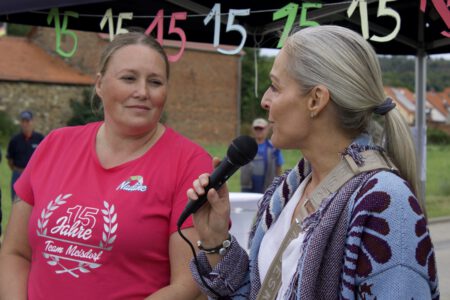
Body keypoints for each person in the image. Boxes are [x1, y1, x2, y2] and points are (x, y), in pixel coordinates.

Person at [187, 25, 439, 299]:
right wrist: (215, 239)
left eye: (275, 86)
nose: (264, 100)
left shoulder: (386, 203)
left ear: (316, 100)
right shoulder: (287, 191)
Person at [0, 31, 212, 299]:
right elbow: (15, 252)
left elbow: (188, 284)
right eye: (129, 78)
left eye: (155, 82)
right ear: (99, 85)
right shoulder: (55, 145)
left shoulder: (190, 163)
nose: (142, 92)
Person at [6, 110, 44, 201]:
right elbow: (10, 160)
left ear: (32, 122)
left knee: (34, 203)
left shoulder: (40, 139)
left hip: (34, 176)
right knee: (15, 201)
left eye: (27, 121)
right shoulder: (15, 140)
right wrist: (19, 170)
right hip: (18, 174)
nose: (25, 124)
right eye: (23, 121)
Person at [241, 118, 284, 193]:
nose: (258, 131)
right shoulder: (246, 146)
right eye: (256, 128)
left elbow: (278, 166)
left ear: (267, 129)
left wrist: (277, 183)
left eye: (261, 128)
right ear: (252, 129)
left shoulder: (274, 147)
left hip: (267, 186)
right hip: (248, 186)